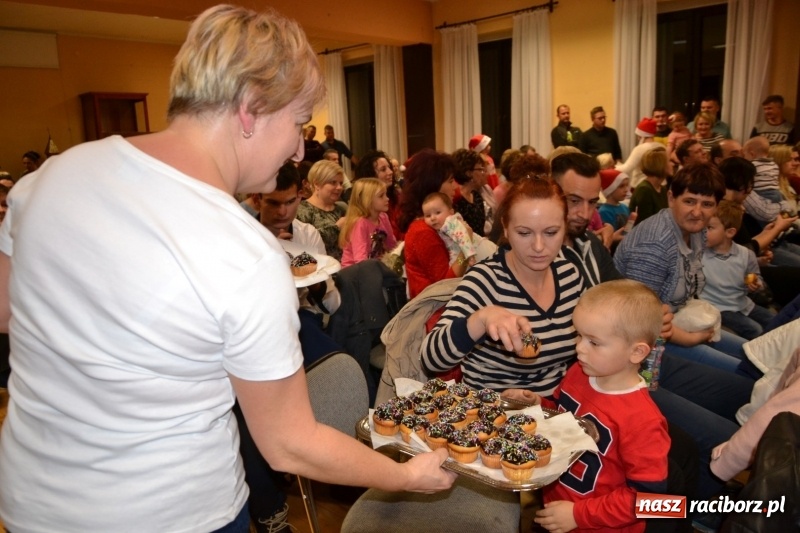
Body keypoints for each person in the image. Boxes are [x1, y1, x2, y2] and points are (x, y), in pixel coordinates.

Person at [0, 6, 455, 532]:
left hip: (33, 498)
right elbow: (289, 444)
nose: (300, 147)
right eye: (298, 123)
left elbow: (9, 312)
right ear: (250, 108)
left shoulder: (55, 175)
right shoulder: (241, 252)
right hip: (171, 514)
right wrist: (407, 475)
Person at [421, 177, 584, 395]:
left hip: (554, 412)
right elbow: (431, 359)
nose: (538, 246)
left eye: (551, 233)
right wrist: (480, 319)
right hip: (493, 414)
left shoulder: (569, 276)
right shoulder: (485, 280)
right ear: (506, 229)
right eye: (524, 233)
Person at [535, 280, 669, 533]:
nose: (579, 348)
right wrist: (539, 404)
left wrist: (579, 515)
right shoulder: (579, 372)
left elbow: (651, 502)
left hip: (596, 525)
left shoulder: (642, 421)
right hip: (558, 503)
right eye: (579, 335)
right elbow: (560, 412)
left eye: (593, 342)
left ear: (637, 352)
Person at [614, 164, 751, 376]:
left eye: (707, 204)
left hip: (675, 323)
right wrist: (690, 339)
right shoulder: (655, 244)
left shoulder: (695, 231)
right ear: (671, 198)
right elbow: (640, 319)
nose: (697, 212)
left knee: (754, 354)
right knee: (745, 372)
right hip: (643, 346)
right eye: (689, 201)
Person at [701, 200, 774, 340]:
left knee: (776, 321)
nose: (703, 232)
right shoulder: (699, 254)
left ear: (730, 232)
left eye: (709, 228)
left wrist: (756, 284)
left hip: (744, 303)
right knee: (755, 330)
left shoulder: (746, 254)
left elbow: (757, 277)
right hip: (719, 308)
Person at [399, 149, 466, 298]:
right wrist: (466, 249)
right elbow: (446, 285)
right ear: (433, 186)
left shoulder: (435, 224)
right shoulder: (422, 231)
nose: (455, 186)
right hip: (436, 313)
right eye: (450, 181)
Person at [339, 178, 396, 267]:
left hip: (375, 267)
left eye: (386, 194)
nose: (387, 199)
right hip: (354, 272)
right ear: (367, 200)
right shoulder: (359, 223)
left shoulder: (383, 217)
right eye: (381, 196)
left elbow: (391, 244)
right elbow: (360, 260)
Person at [296, 159, 347, 261]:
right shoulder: (302, 211)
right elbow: (305, 246)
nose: (339, 187)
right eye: (333, 182)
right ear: (317, 184)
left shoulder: (342, 209)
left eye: (341, 183)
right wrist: (336, 228)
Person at [353, 150, 402, 238]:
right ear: (370, 175)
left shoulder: (397, 196)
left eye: (389, 167)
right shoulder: (362, 210)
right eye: (383, 169)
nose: (390, 172)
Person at [422, 192, 478, 268]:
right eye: (428, 215)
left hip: (470, 252)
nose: (432, 218)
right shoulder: (439, 227)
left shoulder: (450, 222)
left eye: (438, 212)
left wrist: (470, 255)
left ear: (451, 212)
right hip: (461, 255)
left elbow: (463, 236)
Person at [451, 148, 488, 237]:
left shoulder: (476, 196)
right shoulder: (456, 199)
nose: (484, 173)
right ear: (468, 173)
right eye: (480, 169)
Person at [629, 147, 670, 225]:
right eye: (669, 161)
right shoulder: (644, 190)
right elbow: (645, 224)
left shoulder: (663, 189)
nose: (672, 164)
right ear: (660, 165)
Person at [598, 169, 633, 243]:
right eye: (621, 186)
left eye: (627, 185)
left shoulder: (624, 207)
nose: (626, 190)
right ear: (610, 190)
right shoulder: (604, 211)